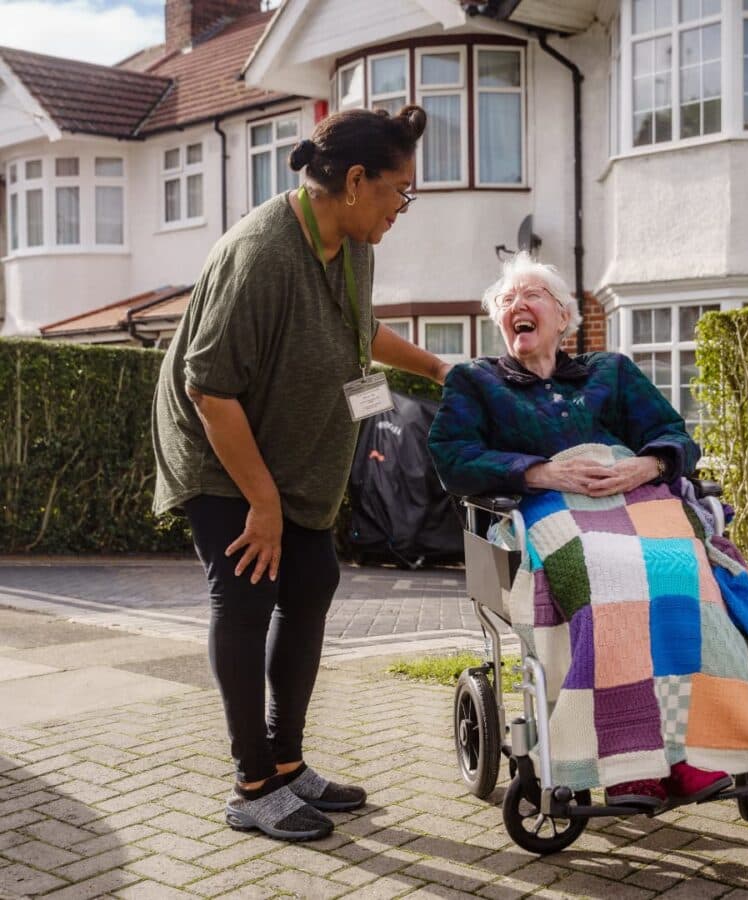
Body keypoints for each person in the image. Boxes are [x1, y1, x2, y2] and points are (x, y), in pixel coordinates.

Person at [152, 105, 450, 842]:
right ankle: (252, 785)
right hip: (218, 447)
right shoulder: (260, 254)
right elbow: (209, 388)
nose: (402, 209)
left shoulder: (354, 247)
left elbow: (359, 334)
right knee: (248, 592)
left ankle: (288, 764)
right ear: (355, 182)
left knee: (312, 580)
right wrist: (262, 503)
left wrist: (442, 369)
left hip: (287, 443)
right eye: (400, 192)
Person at [428, 252, 748, 808]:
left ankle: (697, 752)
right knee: (608, 587)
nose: (517, 306)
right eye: (506, 301)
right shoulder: (475, 382)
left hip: (637, 499)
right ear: (499, 322)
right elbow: (452, 457)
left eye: (533, 296)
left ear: (564, 316)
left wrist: (647, 465)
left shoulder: (612, 371)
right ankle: (628, 763)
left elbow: (674, 434)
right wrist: (537, 469)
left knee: (686, 576)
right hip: (546, 508)